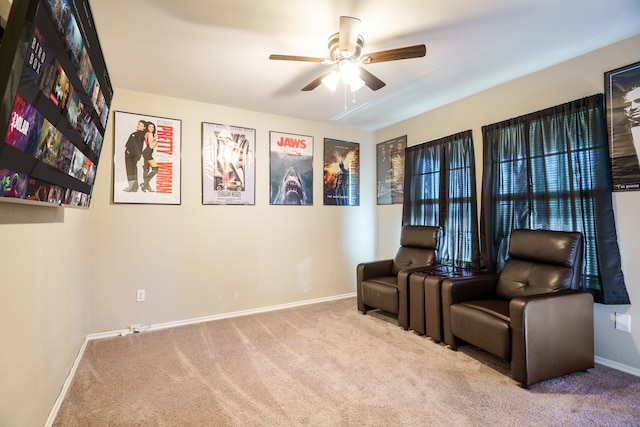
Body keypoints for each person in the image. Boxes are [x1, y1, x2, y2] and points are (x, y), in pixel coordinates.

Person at [123, 120, 147, 192]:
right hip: (133, 155)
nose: (138, 125)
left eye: (140, 125)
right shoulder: (138, 134)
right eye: (138, 124)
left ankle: (131, 187)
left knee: (130, 170)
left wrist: (129, 152)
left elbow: (137, 146)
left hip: (131, 155)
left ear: (144, 128)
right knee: (133, 170)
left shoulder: (138, 135)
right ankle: (134, 187)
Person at [140, 122, 159, 192]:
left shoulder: (147, 134)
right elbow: (151, 146)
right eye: (150, 127)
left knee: (146, 170)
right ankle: (145, 183)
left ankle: (146, 186)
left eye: (153, 127)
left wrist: (155, 141)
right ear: (147, 128)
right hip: (147, 153)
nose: (151, 128)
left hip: (146, 153)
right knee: (155, 169)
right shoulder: (150, 134)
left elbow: (153, 145)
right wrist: (156, 139)